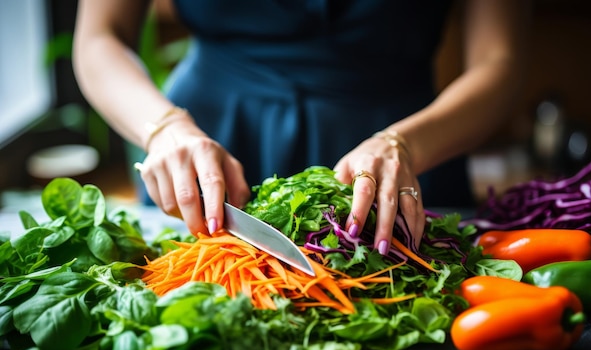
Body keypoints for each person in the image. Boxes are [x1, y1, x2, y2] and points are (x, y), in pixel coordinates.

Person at [72, 0, 529, 255]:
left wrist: (404, 144)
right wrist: (164, 128)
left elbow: (500, 61)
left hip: (405, 156)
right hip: (207, 146)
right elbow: (100, 36)